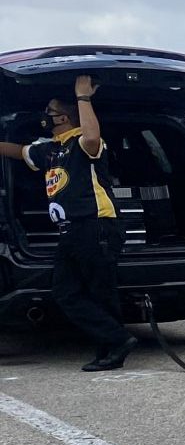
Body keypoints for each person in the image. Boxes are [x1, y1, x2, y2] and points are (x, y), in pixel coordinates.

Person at [0, 75, 139, 370]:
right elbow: (15, 151)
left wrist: (83, 98)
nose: (45, 116)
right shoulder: (50, 148)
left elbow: (91, 138)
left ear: (63, 117)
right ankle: (115, 339)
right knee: (65, 292)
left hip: (96, 225)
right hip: (71, 231)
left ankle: (111, 349)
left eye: (49, 111)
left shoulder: (83, 142)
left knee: (101, 293)